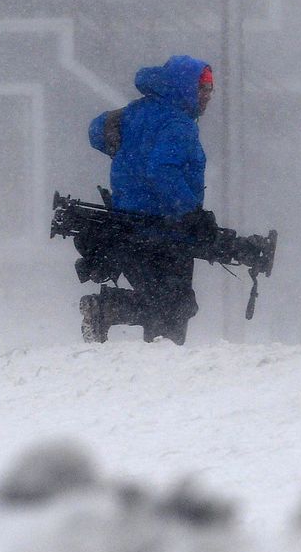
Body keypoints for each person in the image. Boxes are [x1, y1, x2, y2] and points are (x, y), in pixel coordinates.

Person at [82, 54, 214, 343]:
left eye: (210, 90)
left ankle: (111, 312)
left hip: (127, 225)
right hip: (165, 229)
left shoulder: (136, 112)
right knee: (174, 307)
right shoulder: (179, 124)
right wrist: (191, 211)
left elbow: (96, 131)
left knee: (163, 302)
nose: (207, 96)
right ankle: (108, 311)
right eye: (202, 88)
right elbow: (162, 169)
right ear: (183, 87)